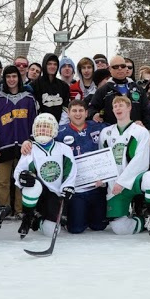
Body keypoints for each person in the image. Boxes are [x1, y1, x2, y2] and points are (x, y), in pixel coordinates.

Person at [99, 95, 150, 236]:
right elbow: (102, 160)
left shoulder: (140, 131)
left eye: (121, 105)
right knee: (120, 228)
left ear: (129, 108)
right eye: (115, 106)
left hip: (134, 180)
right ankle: (144, 220)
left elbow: (140, 160)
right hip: (114, 185)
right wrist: (102, 179)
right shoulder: (105, 133)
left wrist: (122, 181)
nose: (118, 108)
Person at [15, 113, 77, 238]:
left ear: (54, 129)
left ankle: (37, 221)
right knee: (32, 183)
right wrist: (22, 178)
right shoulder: (30, 149)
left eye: (46, 127)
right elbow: (18, 171)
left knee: (52, 231)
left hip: (56, 196)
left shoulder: (64, 149)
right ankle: (28, 217)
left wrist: (68, 186)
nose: (42, 130)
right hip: (38, 196)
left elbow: (71, 170)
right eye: (40, 127)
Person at [0, 65, 37, 215]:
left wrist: (31, 140)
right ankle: (5, 210)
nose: (11, 79)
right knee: (3, 181)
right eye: (8, 77)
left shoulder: (28, 99)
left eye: (14, 76)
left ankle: (20, 210)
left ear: (19, 78)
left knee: (21, 180)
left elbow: (34, 122)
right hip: (4, 147)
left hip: (24, 147)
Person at [56, 99, 108, 233]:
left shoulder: (98, 127)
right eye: (74, 111)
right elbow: (43, 139)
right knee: (76, 229)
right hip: (76, 189)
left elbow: (119, 129)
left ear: (86, 113)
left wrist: (136, 124)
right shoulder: (60, 133)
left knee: (99, 226)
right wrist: (28, 142)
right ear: (68, 113)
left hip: (97, 186)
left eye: (80, 110)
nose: (77, 114)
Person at [88, 54, 150, 127]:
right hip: (112, 130)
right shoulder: (103, 90)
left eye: (123, 66)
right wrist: (94, 114)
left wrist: (147, 129)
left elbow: (147, 111)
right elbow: (91, 108)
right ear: (110, 69)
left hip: (135, 131)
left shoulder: (138, 89)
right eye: (116, 67)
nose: (120, 68)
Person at [33, 53, 71, 123]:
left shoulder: (64, 86)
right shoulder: (35, 85)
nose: (52, 66)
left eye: (55, 64)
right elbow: (34, 108)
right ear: (44, 65)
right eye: (49, 64)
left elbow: (65, 107)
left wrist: (61, 125)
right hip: (41, 124)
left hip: (60, 124)